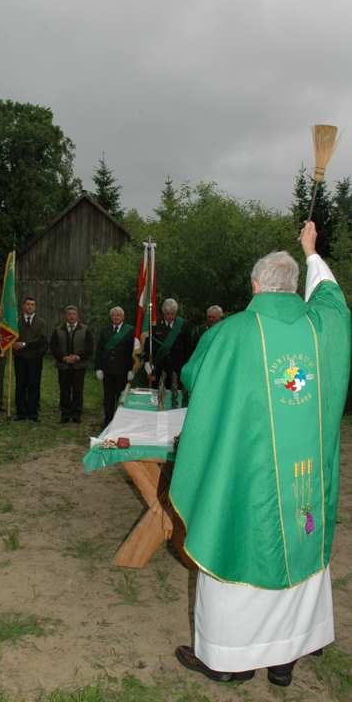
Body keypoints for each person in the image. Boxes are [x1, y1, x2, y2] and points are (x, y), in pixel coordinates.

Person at [171, 222, 351, 687]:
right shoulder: (322, 327)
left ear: (255, 285)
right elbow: (333, 299)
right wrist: (311, 252)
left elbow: (194, 377)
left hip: (248, 474)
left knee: (237, 544)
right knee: (297, 546)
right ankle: (284, 661)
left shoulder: (232, 333)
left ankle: (229, 661)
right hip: (304, 481)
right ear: (294, 286)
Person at [50, 305, 94, 423]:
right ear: (65, 316)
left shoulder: (85, 330)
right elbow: (53, 347)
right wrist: (63, 358)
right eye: (69, 314)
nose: (71, 316)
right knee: (64, 390)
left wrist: (78, 357)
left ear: (77, 316)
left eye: (74, 314)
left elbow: (89, 348)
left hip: (79, 366)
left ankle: (76, 414)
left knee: (77, 390)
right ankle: (65, 414)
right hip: (63, 366)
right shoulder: (58, 330)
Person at [143, 298, 190, 402]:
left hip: (177, 368)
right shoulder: (155, 325)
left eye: (173, 314)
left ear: (176, 313)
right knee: (158, 398)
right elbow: (148, 346)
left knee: (175, 398)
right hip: (159, 368)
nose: (170, 317)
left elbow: (188, 348)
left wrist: (187, 367)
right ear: (163, 312)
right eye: (167, 314)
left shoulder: (183, 324)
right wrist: (147, 362)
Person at [94, 306, 134, 426]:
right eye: (113, 315)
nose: (116, 317)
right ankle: (108, 420)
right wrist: (98, 368)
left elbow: (133, 352)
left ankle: (120, 421)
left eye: (118, 315)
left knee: (121, 397)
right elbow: (99, 351)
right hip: (107, 370)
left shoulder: (130, 331)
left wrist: (132, 369)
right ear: (111, 317)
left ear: (123, 317)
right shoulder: (105, 331)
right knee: (108, 397)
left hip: (123, 370)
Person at [12, 297, 47, 422]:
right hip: (20, 358)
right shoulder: (16, 321)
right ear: (23, 306)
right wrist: (14, 345)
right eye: (27, 304)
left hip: (34, 359)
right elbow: (12, 339)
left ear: (35, 307)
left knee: (34, 385)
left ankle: (33, 413)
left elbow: (41, 341)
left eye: (32, 304)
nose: (30, 306)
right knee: (20, 385)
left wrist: (25, 344)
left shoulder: (41, 322)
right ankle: (21, 412)